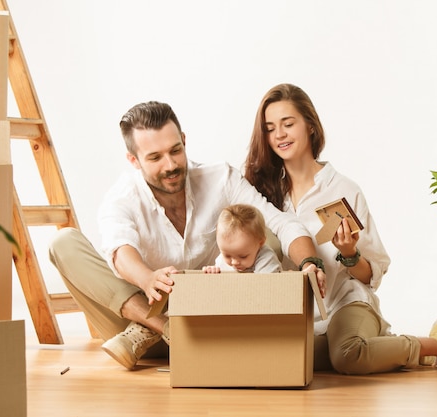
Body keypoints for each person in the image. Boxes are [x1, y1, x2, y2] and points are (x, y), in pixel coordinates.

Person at [243, 83, 437, 374]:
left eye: (288, 124)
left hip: (347, 303)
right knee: (287, 358)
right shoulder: (265, 198)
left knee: (346, 357)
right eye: (269, 128)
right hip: (303, 317)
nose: (279, 134)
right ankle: (380, 348)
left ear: (310, 126)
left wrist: (350, 253)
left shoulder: (342, 190)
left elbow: (371, 275)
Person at [48, 101, 326, 370]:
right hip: (140, 327)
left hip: (212, 326)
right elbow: (120, 251)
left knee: (260, 231)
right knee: (63, 244)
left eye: (175, 150)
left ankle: (195, 335)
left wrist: (310, 263)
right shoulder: (121, 198)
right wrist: (147, 279)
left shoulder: (220, 179)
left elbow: (280, 223)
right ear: (133, 160)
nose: (170, 165)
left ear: (183, 139)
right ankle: (165, 328)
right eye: (155, 158)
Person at [202, 204, 282, 273]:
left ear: (260, 243)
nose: (234, 262)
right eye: (227, 256)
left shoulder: (266, 258)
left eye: (243, 256)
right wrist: (213, 272)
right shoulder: (223, 259)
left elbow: (266, 284)